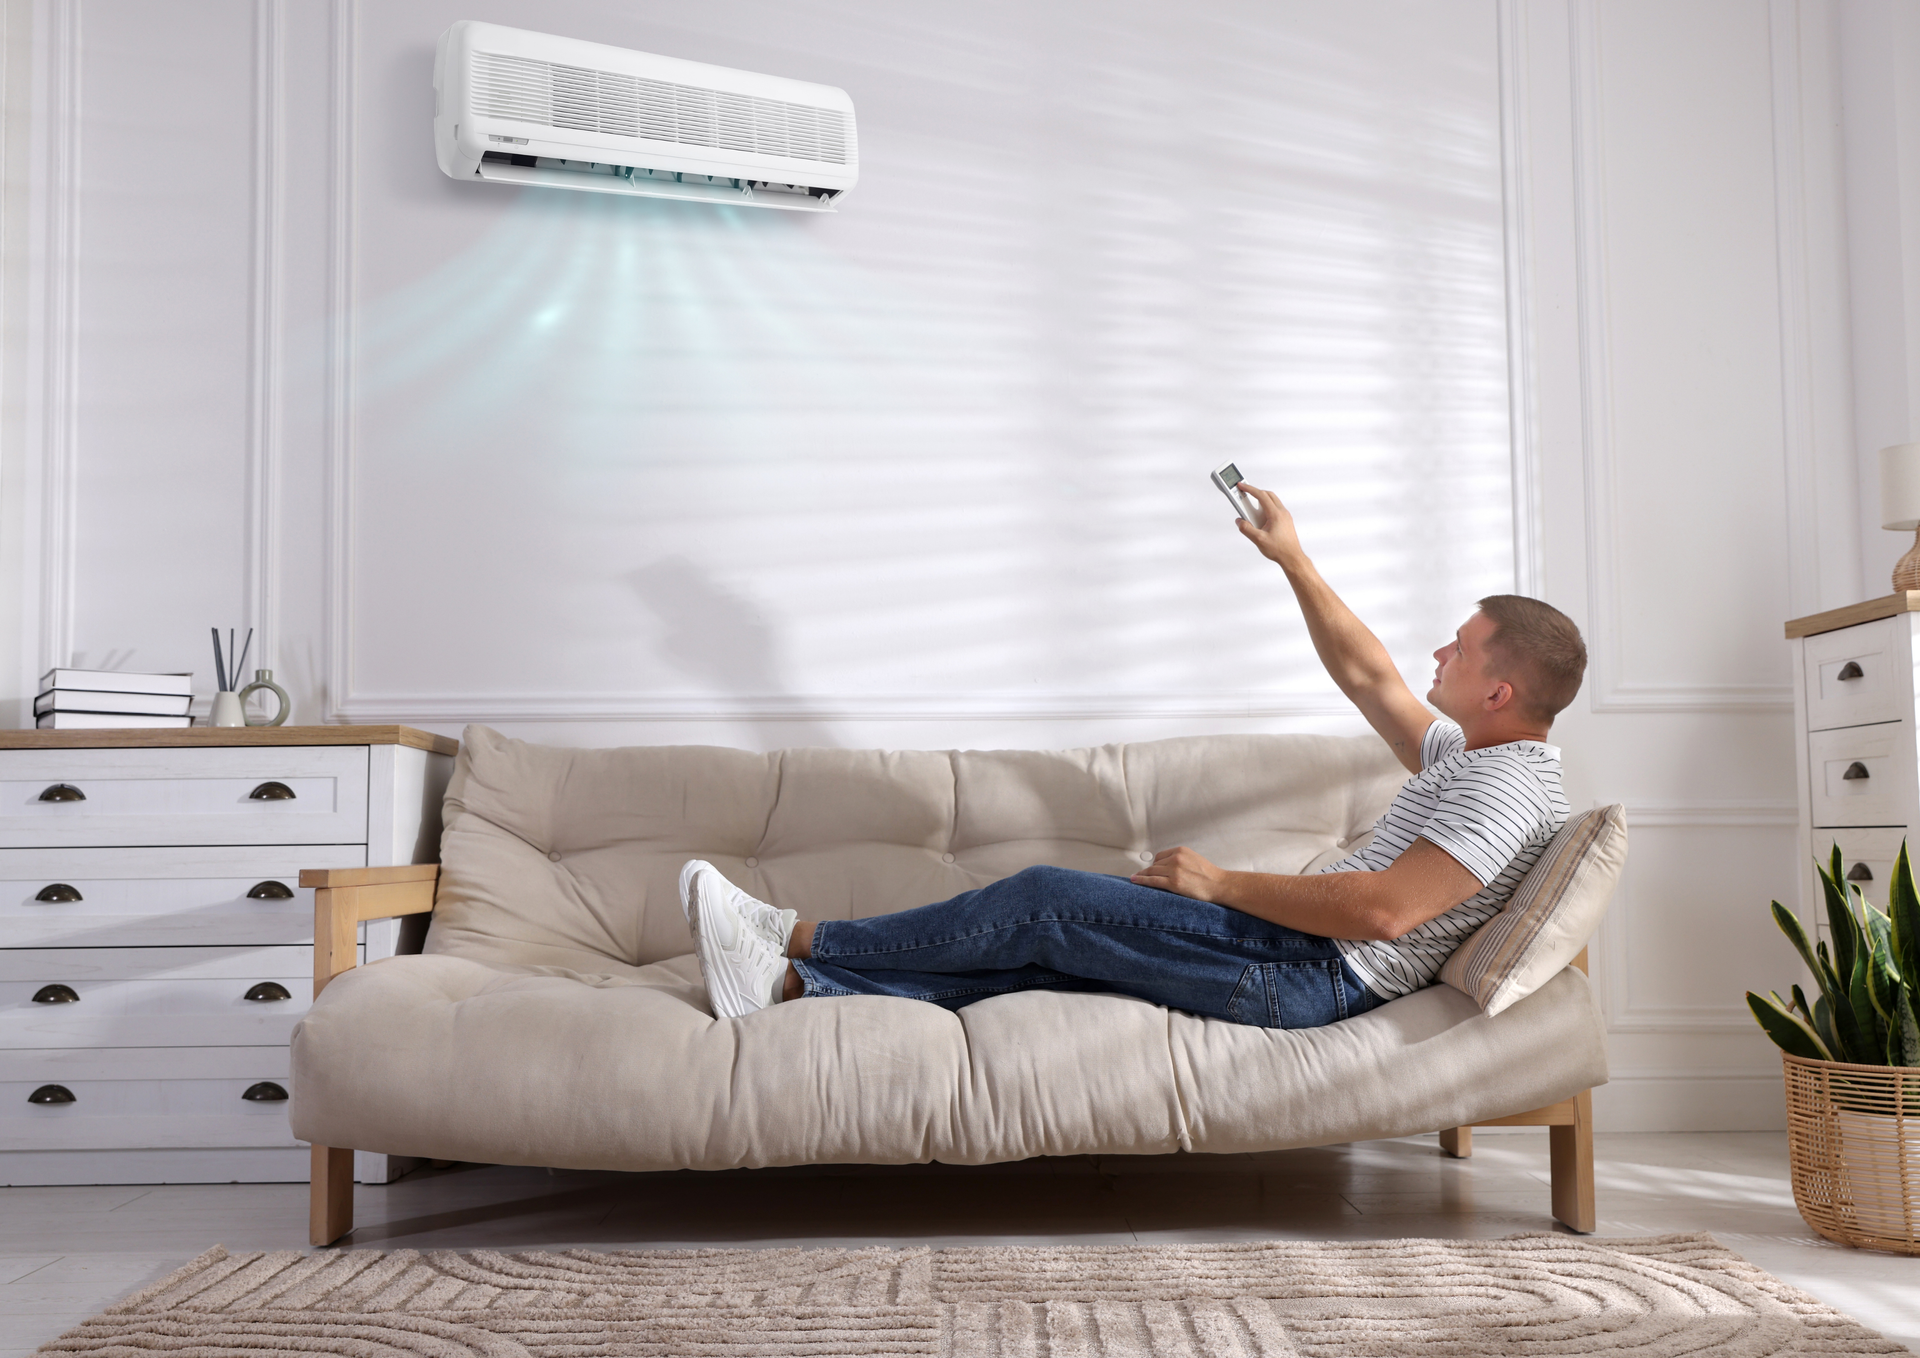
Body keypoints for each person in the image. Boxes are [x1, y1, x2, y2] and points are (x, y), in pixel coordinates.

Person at [681, 481, 1586, 1029]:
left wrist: (1219, 883)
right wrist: (1293, 560)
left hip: (1312, 974)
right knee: (1045, 954)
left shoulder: (1505, 788)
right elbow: (1369, 678)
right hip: (1298, 955)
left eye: (1462, 649)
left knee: (1044, 898)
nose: (1439, 653)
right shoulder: (1471, 755)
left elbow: (1386, 912)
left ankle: (791, 936)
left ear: (1499, 692)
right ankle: (791, 986)